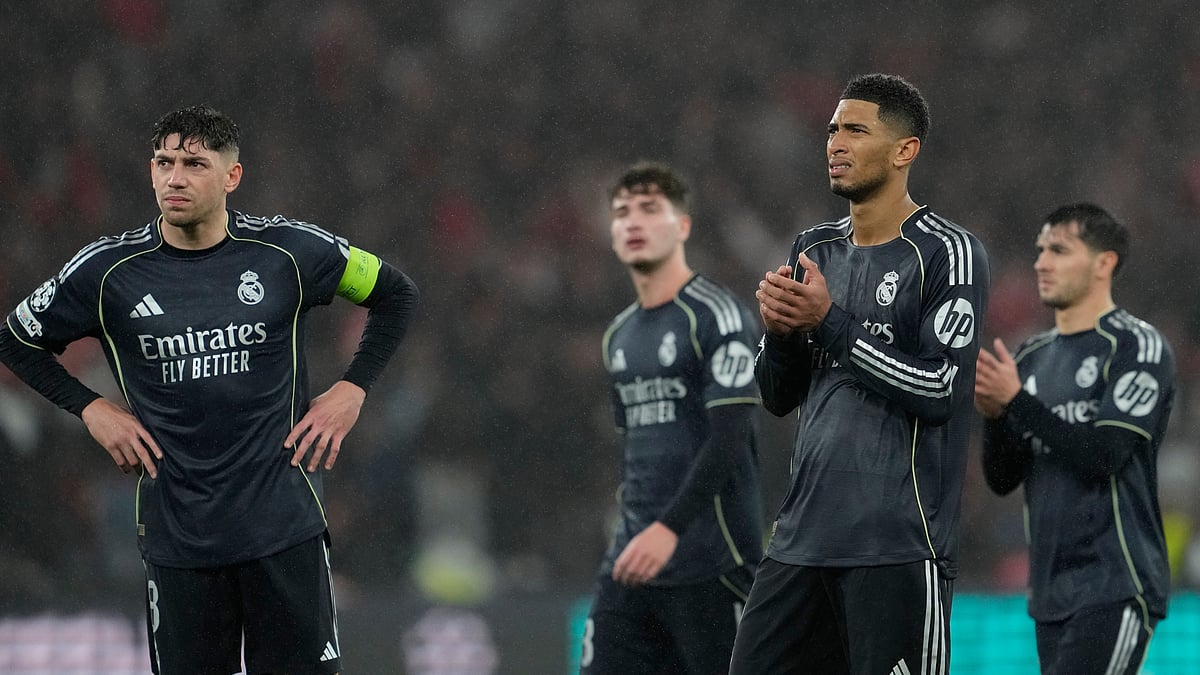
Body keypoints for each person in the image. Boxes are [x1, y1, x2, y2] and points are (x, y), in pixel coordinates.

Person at [0, 105, 419, 674]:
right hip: (180, 543)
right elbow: (15, 339)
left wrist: (353, 388)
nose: (175, 177)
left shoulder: (288, 253)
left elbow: (396, 294)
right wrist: (92, 408)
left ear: (231, 176)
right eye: (164, 162)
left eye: (195, 163)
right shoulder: (107, 272)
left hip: (283, 533)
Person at [729, 73, 990, 674]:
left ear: (905, 151)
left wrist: (831, 322)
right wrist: (782, 334)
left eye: (854, 129)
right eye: (830, 129)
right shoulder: (814, 247)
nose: (835, 143)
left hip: (896, 543)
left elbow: (943, 389)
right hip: (800, 541)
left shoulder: (947, 253)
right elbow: (777, 395)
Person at [580, 162, 764, 674]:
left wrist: (669, 527)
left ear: (682, 225)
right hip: (634, 560)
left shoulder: (717, 315)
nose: (632, 222)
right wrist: (633, 524)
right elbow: (636, 447)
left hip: (713, 561)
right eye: (621, 213)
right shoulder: (617, 335)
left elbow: (730, 438)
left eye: (648, 209)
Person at [974, 203, 1173, 674]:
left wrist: (1017, 403)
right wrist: (995, 417)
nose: (1041, 262)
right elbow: (1002, 479)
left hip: (1116, 581)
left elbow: (1105, 454)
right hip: (1051, 591)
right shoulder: (1030, 355)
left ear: (1104, 263)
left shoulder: (1135, 346)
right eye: (1041, 250)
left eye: (1059, 250)